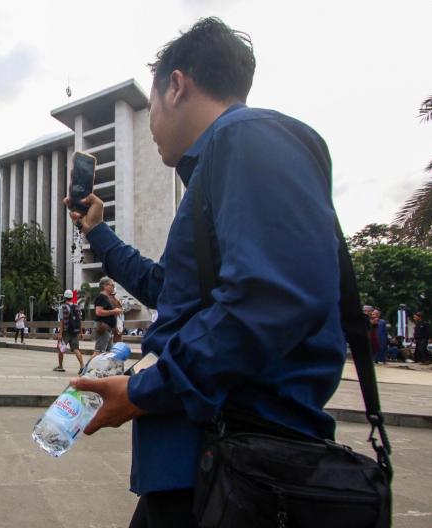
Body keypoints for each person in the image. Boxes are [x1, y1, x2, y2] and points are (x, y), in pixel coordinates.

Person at [65, 18, 345, 526]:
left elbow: (267, 300)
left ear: (177, 85)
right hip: (199, 462)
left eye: (151, 106)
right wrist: (97, 233)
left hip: (241, 464)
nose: (151, 126)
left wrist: (143, 391)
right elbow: (167, 289)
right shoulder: (218, 167)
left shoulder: (251, 138)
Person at [55, 289, 84, 374]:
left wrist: (60, 333)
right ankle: (82, 366)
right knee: (76, 349)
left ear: (64, 297)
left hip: (66, 332)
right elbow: (80, 320)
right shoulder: (77, 307)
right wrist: (81, 332)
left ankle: (60, 366)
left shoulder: (62, 307)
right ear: (71, 297)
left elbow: (61, 321)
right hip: (75, 331)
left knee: (61, 349)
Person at [93, 277, 121, 356]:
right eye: (112, 285)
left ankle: (102, 368)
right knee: (98, 352)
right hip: (103, 327)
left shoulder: (106, 298)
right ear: (105, 286)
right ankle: (87, 368)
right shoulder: (101, 297)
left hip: (107, 328)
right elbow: (98, 312)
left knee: (108, 353)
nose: (113, 287)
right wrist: (114, 311)